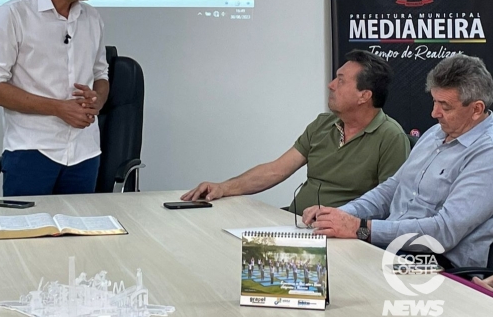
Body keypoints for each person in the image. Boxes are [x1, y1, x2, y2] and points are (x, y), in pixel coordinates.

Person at [302, 54, 493, 268]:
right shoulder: (435, 133)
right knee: (313, 256)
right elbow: (391, 189)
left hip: (437, 263)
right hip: (392, 247)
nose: (434, 113)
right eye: (434, 102)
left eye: (445, 107)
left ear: (476, 109)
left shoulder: (487, 153)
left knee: (334, 269)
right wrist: (340, 214)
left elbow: (444, 232)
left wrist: (360, 228)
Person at [182, 50, 410, 214]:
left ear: (364, 96)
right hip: (296, 222)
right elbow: (276, 170)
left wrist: (345, 220)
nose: (331, 85)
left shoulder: (391, 137)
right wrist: (223, 188)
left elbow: (389, 203)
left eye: (340, 81)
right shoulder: (323, 124)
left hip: (339, 236)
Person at [0, 0, 109, 197]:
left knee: (80, 224)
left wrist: (97, 100)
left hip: (84, 153)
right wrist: (59, 108)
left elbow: (101, 74)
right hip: (32, 151)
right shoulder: (13, 15)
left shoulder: (92, 18)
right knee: (27, 225)